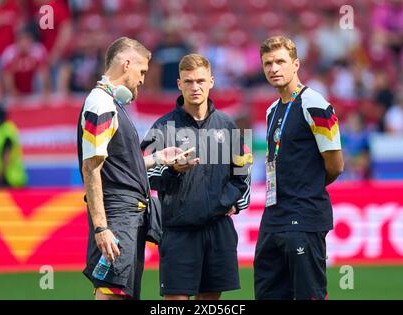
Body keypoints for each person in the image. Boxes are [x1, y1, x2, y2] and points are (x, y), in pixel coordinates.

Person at [77, 37, 183, 300]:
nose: (144, 79)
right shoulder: (101, 104)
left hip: (127, 217)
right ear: (126, 64)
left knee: (121, 293)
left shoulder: (111, 104)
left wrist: (158, 158)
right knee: (113, 293)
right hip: (117, 218)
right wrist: (102, 227)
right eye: (142, 71)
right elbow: (91, 167)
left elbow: (118, 167)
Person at [141, 53, 252, 300]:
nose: (195, 87)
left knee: (210, 302)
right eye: (189, 81)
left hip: (219, 230)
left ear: (211, 81)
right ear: (179, 84)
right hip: (178, 231)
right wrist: (172, 171)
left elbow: (243, 172)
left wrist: (235, 202)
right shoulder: (162, 127)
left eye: (201, 81)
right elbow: (144, 173)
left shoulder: (228, 125)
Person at [254, 36, 344, 300]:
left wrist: (307, 185)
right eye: (268, 63)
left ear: (296, 65)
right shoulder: (272, 110)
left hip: (304, 215)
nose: (274, 68)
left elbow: (336, 165)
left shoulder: (314, 103)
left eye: (280, 61)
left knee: (309, 294)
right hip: (273, 217)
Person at [0, 104, 27, 188]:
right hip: (5, 177)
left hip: (10, 179)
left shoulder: (6, 132)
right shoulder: (1, 131)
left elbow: (6, 157)